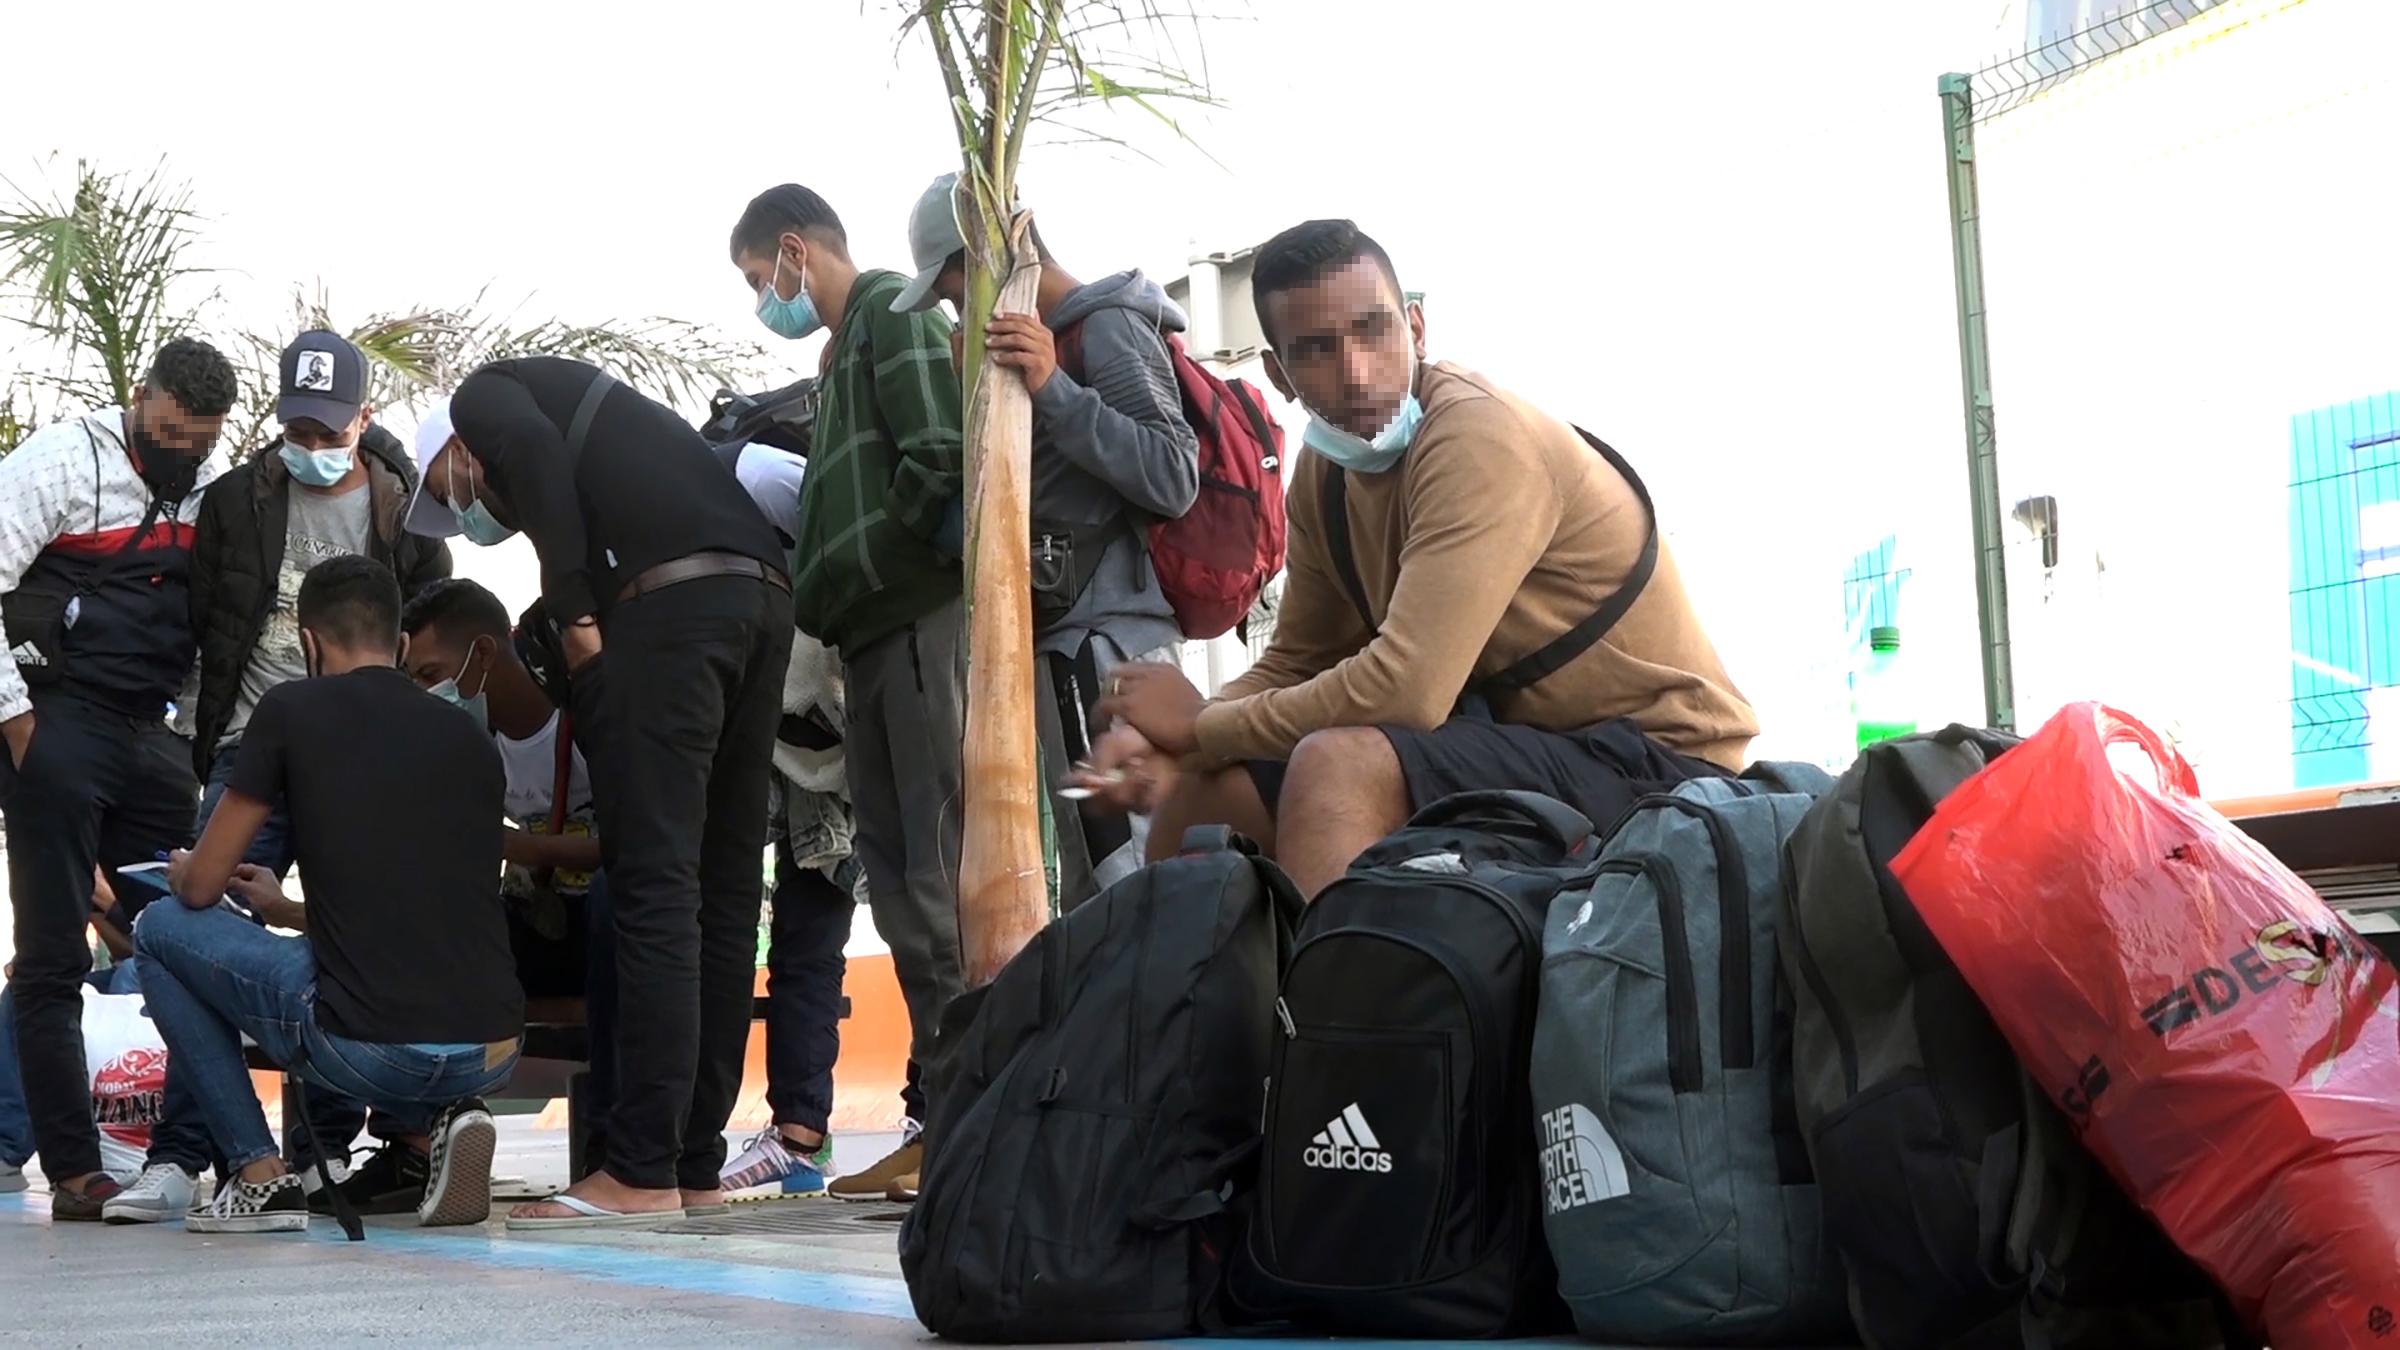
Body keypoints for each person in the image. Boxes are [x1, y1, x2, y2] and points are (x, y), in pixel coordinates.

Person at [1077, 220, 1758, 897]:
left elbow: (1408, 691)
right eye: (1316, 349)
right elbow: (1298, 660)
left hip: (1661, 760)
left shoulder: (1476, 439)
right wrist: (1173, 747)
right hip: (1523, 746)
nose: (1356, 371)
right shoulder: (1326, 477)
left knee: (1339, 764)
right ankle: (1182, 1001)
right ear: (1280, 374)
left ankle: (1328, 1005)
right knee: (1207, 791)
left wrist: (1200, 724)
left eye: (1372, 330)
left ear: (1418, 329)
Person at [406, 357, 794, 1227]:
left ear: (461, 448)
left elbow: (535, 455)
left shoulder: (485, 398)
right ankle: (692, 1163)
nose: (467, 509)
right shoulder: (614, 421)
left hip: (673, 612)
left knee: (655, 886)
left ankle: (641, 1170)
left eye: (449, 486)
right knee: (722, 895)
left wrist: (576, 616)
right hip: (760, 598)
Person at [133, 555, 520, 1234]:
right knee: (401, 996)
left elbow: (199, 889)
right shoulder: (467, 734)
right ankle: (446, 1122)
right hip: (491, 1046)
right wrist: (283, 911)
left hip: (368, 1049)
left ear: (308, 643)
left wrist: (186, 866)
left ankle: (257, 1175)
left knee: (160, 928)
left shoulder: (291, 710)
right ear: (400, 645)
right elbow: (424, 905)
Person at [730, 184, 965, 1202]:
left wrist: (875, 568)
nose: (763, 300)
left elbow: (941, 459)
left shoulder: (889, 315)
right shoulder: (844, 350)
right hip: (873, 642)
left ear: (793, 250)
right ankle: (948, 1117)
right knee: (906, 887)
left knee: (934, 878)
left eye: (757, 279)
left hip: (913, 624)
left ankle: (968, 1118)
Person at [185, 330, 453, 1206]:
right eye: (294, 430)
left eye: (326, 431)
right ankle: (190, 1154)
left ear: (364, 419)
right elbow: (206, 621)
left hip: (358, 759)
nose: (309, 447)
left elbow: (427, 631)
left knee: (348, 935)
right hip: (244, 745)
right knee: (198, 931)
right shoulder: (233, 501)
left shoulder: (408, 513)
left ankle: (323, 1149)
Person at [893, 172, 1200, 904]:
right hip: (1070, 646)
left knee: (1131, 880)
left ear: (993, 258)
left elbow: (1172, 473)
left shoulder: (1107, 325)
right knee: (1102, 880)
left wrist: (1054, 387)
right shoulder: (1038, 345)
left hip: (1105, 648)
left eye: (949, 287)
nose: (949, 305)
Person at [0, 338, 235, 1221]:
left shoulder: (215, 491)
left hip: (155, 734)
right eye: (169, 431)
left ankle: (194, 1152)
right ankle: (71, 1170)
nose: (182, 451)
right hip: (58, 721)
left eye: (200, 439)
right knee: (56, 955)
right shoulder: (64, 458)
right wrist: (26, 733)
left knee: (192, 941)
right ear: (139, 400)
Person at [398, 573, 617, 1189]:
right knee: (429, 936)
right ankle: (416, 1143)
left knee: (616, 907)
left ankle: (615, 1150)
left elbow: (645, 845)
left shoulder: (589, 709)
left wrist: (516, 845)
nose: (425, 692)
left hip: (612, 925)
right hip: (537, 924)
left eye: (429, 673)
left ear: (485, 653)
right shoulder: (471, 739)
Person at [703, 429, 854, 1198]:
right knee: (748, 929)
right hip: (767, 725)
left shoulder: (748, 474)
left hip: (826, 723)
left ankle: (799, 1134)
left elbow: (838, 540)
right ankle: (740, 1132)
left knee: (811, 932)